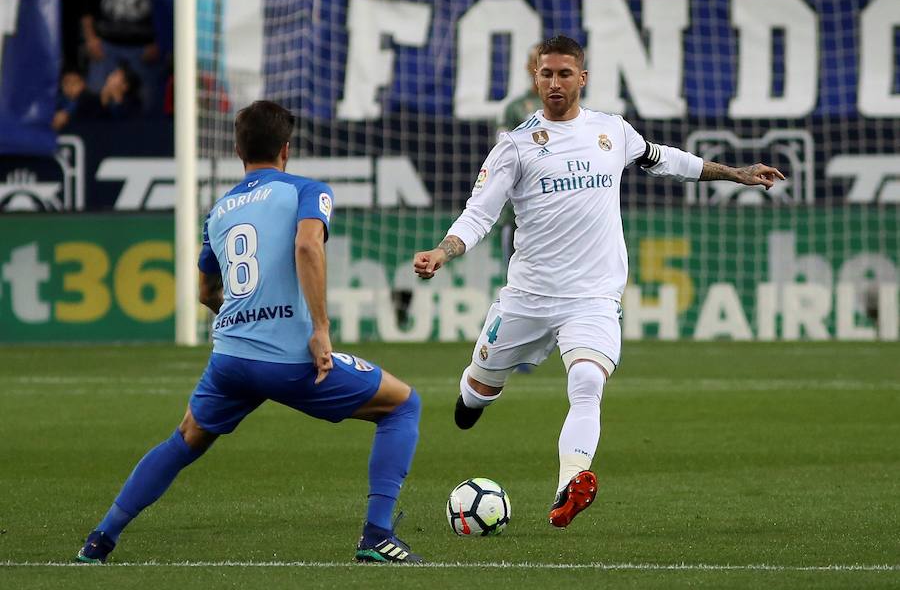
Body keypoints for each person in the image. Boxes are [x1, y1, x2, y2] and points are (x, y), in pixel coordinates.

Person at [413, 36, 784, 529]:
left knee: (587, 381)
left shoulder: (613, 131)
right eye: (546, 74)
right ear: (536, 79)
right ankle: (474, 398)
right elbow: (478, 215)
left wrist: (736, 173)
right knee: (477, 392)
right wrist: (443, 251)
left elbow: (668, 160)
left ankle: (571, 482)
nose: (555, 83)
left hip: (592, 298)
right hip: (527, 298)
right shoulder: (515, 146)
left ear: (582, 78)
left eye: (565, 74)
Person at [77, 100, 423, 564]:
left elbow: (205, 292)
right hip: (289, 361)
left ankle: (100, 539)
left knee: (183, 440)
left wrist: (243, 316)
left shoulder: (219, 212)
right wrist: (320, 328)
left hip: (230, 361)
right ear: (287, 148)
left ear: (239, 152)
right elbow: (306, 244)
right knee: (402, 405)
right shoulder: (307, 189)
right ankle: (377, 535)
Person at [496, 43, 542, 374]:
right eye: (538, 63)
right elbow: (505, 157)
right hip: (520, 215)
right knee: (518, 281)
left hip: (559, 215)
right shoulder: (517, 108)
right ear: (530, 68)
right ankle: (514, 350)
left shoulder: (574, 110)